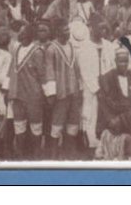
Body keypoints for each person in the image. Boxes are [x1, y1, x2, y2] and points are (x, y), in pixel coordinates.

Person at [7, 23, 49, 159]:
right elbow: (10, 71)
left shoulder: (37, 52)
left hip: (33, 96)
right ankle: (21, 155)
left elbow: (43, 75)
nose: (20, 35)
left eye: (22, 32)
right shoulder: (16, 48)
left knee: (36, 127)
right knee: (19, 126)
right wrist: (8, 90)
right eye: (19, 32)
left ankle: (36, 156)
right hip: (17, 95)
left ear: (30, 35)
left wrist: (48, 95)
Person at [75, 20, 116, 150]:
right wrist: (97, 89)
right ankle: (91, 144)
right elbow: (84, 71)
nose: (101, 31)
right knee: (90, 115)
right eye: (98, 28)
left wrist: (109, 86)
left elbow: (112, 66)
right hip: (91, 89)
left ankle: (107, 144)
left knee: (107, 114)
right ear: (91, 28)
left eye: (103, 28)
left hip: (108, 87)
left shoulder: (109, 46)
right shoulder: (84, 48)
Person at [44, 20, 82, 159]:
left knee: (73, 122)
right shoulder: (52, 49)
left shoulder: (71, 46)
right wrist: (51, 94)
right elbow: (49, 72)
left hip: (73, 92)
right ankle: (53, 155)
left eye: (68, 30)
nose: (67, 32)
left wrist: (80, 88)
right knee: (57, 123)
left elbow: (76, 69)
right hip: (60, 93)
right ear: (58, 32)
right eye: (64, 30)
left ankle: (69, 152)